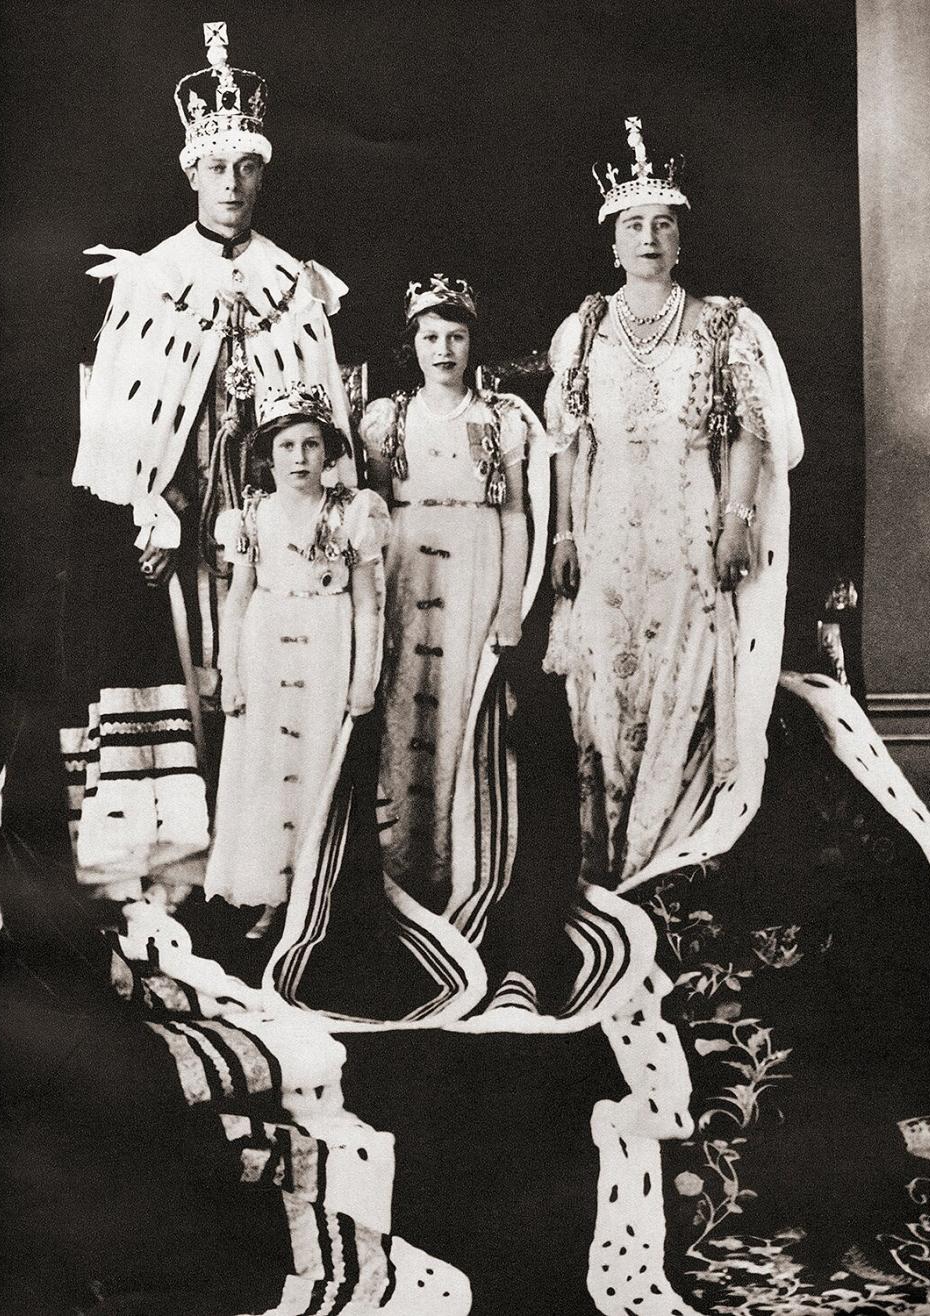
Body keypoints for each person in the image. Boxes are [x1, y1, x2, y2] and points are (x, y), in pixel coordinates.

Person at [62, 22, 354, 900]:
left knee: (267, 678)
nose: (232, 184)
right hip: (179, 518)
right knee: (187, 674)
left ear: (264, 173)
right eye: (217, 169)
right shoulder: (148, 280)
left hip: (272, 525)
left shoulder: (292, 283)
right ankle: (180, 871)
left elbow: (325, 422)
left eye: (248, 168)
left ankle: (262, 869)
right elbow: (118, 428)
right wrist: (149, 509)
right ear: (191, 172)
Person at [545, 117, 804, 890]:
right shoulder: (584, 328)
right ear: (613, 242)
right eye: (633, 225)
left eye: (663, 224)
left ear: (681, 242)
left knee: (685, 682)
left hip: (692, 527)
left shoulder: (725, 325)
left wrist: (738, 521)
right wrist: (563, 536)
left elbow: (751, 434)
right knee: (606, 686)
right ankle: (608, 862)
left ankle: (668, 862)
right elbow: (569, 442)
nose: (649, 237)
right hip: (607, 529)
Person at [360, 275, 549, 931]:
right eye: (430, 336)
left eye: (456, 337)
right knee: (404, 713)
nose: (443, 350)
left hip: (473, 575)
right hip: (408, 578)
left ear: (474, 343)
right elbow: (374, 514)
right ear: (412, 343)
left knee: (464, 719)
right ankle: (398, 866)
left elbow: (517, 515)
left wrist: (508, 607)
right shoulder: (389, 418)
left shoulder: (501, 420)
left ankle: (456, 868)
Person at [205, 384, 389, 937]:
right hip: (265, 646)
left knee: (318, 767)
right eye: (287, 447)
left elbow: (367, 605)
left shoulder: (353, 512)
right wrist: (228, 674)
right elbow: (236, 599)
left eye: (312, 445)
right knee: (264, 769)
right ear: (269, 454)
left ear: (329, 453)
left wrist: (365, 680)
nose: (300, 458)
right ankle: (269, 895)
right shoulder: (251, 516)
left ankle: (317, 894)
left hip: (326, 646)